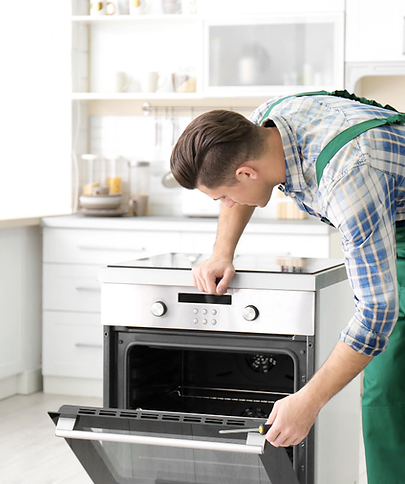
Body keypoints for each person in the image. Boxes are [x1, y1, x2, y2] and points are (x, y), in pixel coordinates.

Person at [170, 92, 405, 484]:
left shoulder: (348, 176)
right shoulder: (265, 125)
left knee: (386, 390)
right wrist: (221, 252)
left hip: (387, 208)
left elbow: (376, 311)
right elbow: (241, 185)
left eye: (222, 195)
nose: (225, 202)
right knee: (387, 391)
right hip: (390, 211)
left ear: (246, 174)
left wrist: (308, 403)